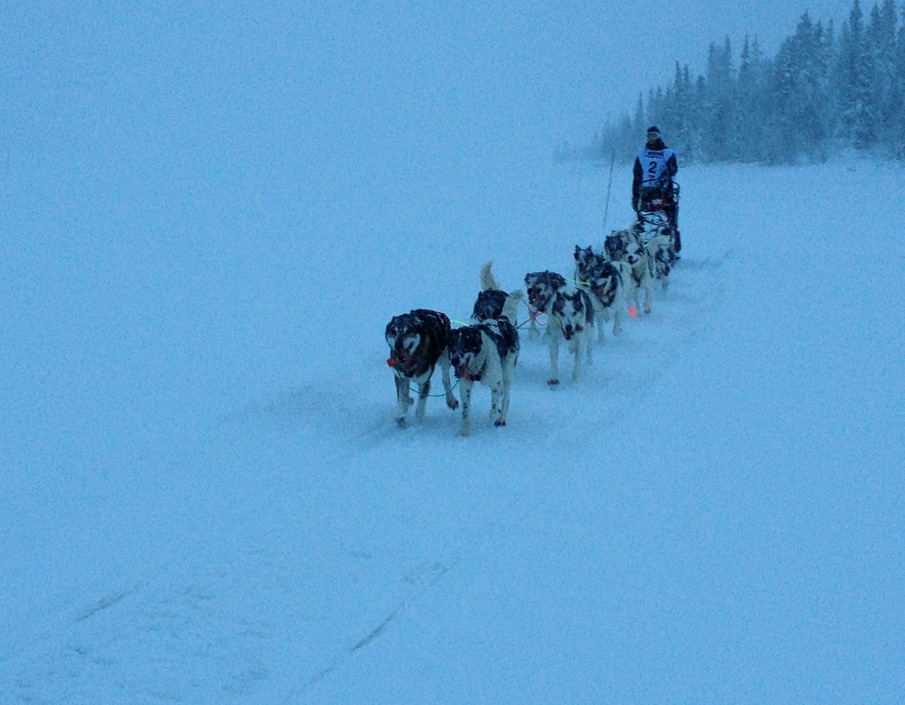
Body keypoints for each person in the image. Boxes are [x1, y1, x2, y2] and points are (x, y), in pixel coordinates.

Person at [632, 125, 681, 251]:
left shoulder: (667, 153)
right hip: (645, 191)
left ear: (659, 137)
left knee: (668, 219)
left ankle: (671, 245)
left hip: (664, 192)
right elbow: (637, 174)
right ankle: (644, 244)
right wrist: (635, 194)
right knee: (643, 219)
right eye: (649, 136)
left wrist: (665, 177)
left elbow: (673, 168)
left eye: (654, 136)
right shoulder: (642, 153)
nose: (651, 138)